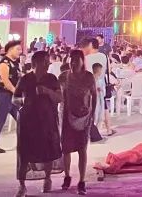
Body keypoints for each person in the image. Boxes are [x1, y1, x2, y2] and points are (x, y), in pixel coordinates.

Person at [13, 50, 62, 197]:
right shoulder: (25, 79)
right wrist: (22, 102)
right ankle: (22, 185)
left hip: (47, 119)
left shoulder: (51, 78)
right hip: (28, 121)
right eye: (45, 62)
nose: (47, 64)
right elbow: (15, 98)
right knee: (25, 152)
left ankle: (47, 178)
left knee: (48, 150)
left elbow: (60, 98)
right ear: (36, 63)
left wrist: (47, 91)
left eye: (48, 61)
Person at [60, 49, 97, 194]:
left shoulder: (88, 77)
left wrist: (93, 115)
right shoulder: (64, 77)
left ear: (82, 61)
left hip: (84, 118)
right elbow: (56, 94)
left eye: (76, 59)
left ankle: (81, 181)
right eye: (71, 59)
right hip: (67, 117)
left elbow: (94, 96)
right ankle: (67, 176)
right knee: (66, 149)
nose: (73, 62)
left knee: (82, 149)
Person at [0, 39, 23, 154]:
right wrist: (17, 92)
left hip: (13, 97)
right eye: (18, 49)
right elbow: (6, 82)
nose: (20, 51)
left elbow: (20, 77)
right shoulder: (4, 64)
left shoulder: (16, 63)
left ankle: (24, 143)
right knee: (1, 120)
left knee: (21, 119)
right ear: (10, 50)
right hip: (4, 96)